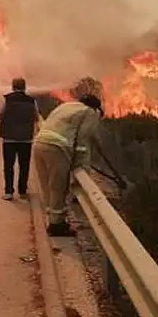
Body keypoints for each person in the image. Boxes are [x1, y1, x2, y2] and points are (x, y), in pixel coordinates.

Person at [32, 94, 104, 237]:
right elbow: (83, 142)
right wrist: (81, 167)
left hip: (39, 144)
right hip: (57, 148)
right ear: (95, 108)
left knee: (47, 186)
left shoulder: (66, 106)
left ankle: (53, 219)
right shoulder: (89, 112)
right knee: (59, 186)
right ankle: (57, 226)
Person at [0, 77, 42, 200]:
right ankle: (22, 191)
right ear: (24, 87)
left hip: (9, 138)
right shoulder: (31, 101)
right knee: (24, 165)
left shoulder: (7, 100)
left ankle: (9, 192)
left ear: (12, 87)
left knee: (8, 165)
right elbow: (36, 117)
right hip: (26, 139)